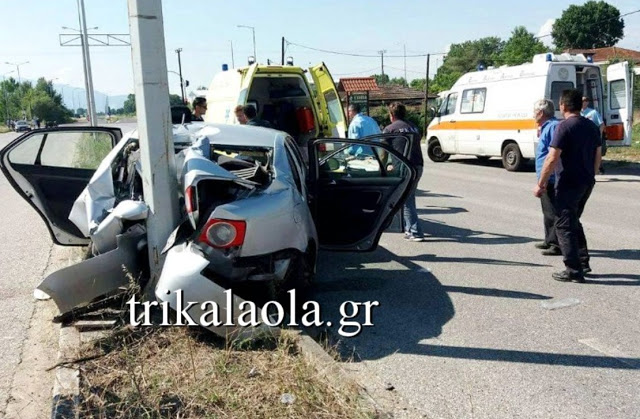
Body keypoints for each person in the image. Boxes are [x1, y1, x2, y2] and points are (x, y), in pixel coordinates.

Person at [533, 89, 601, 283]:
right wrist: (592, 174)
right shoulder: (591, 126)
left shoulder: (564, 127)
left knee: (564, 225)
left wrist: (541, 183)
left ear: (562, 105)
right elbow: (598, 154)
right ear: (580, 105)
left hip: (568, 182)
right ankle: (583, 261)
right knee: (573, 221)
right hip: (586, 182)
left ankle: (573, 270)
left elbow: (552, 157)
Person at [383, 102, 425, 242]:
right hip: (418, 166)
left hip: (404, 168)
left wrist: (384, 165)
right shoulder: (414, 127)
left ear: (391, 115)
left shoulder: (389, 129)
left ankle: (415, 231)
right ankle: (408, 228)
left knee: (406, 199)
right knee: (407, 197)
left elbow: (384, 152)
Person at [533, 99, 561, 255]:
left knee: (552, 212)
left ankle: (556, 244)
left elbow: (554, 154)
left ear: (541, 113)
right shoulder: (546, 127)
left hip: (551, 177)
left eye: (534, 112)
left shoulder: (552, 127)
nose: (533, 115)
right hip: (546, 177)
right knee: (547, 211)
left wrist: (545, 178)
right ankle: (549, 239)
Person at [581, 96, 606, 174]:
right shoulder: (578, 113)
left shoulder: (593, 112)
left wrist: (599, 135)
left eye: (586, 100)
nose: (584, 102)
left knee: (594, 153)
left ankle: (598, 168)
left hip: (592, 137)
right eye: (582, 101)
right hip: (581, 137)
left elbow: (602, 124)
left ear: (588, 102)